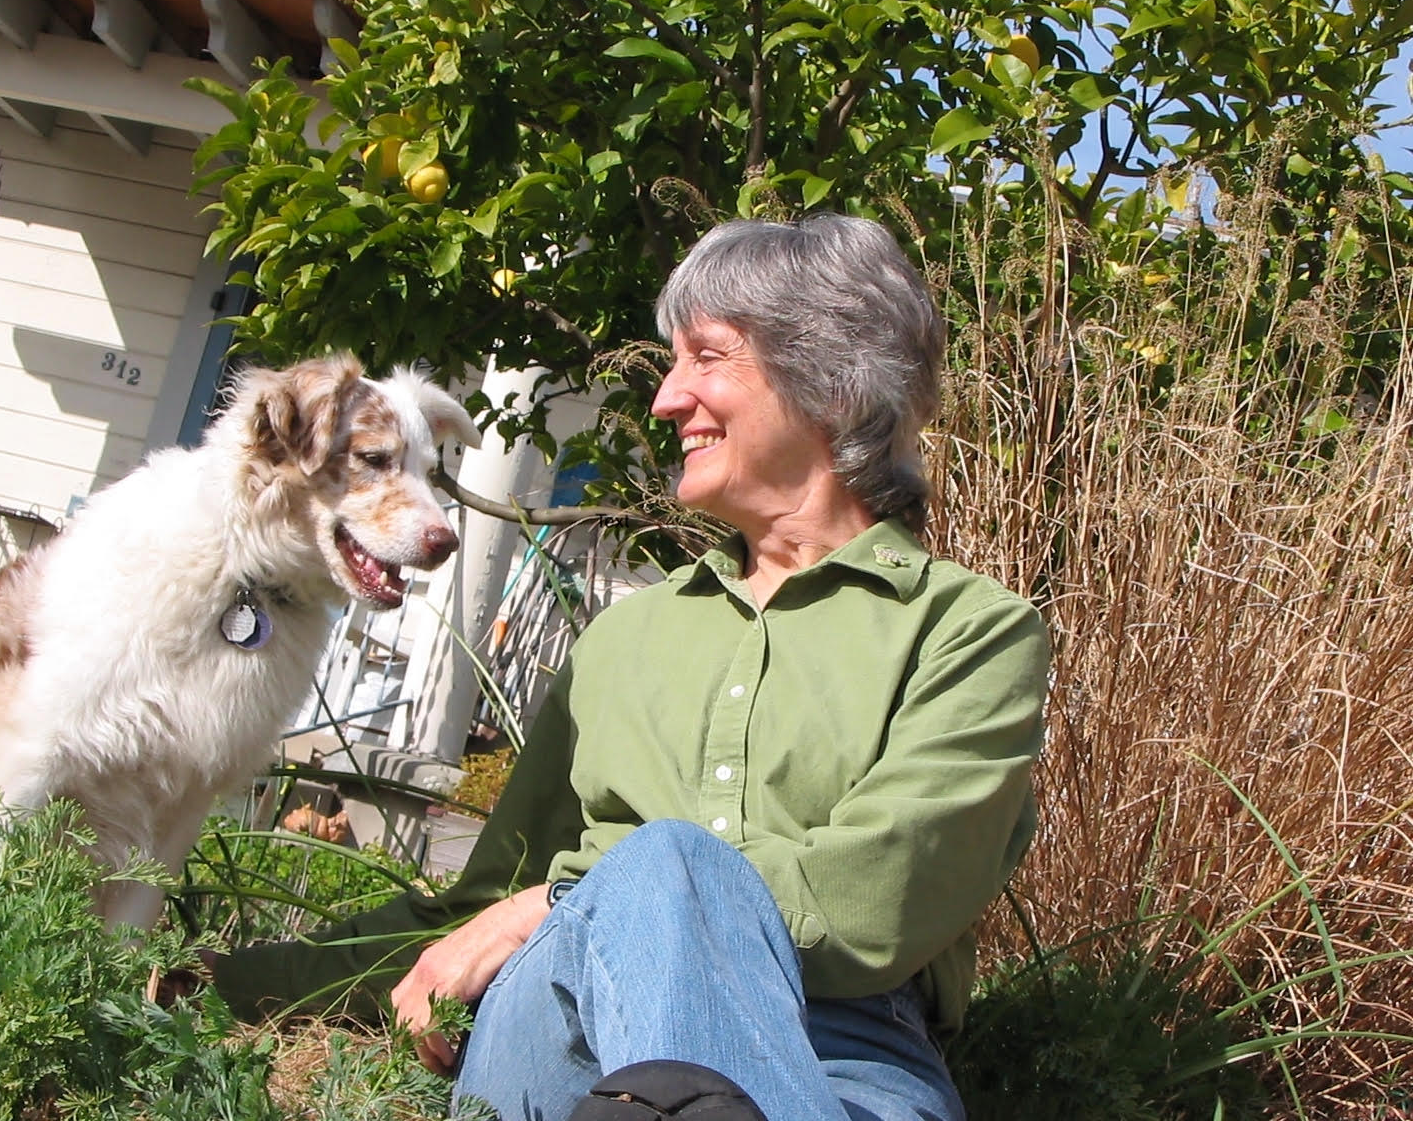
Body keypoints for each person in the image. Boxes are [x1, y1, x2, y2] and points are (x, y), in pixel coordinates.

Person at [209, 214, 1049, 1121]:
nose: (665, 400)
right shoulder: (620, 640)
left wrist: (578, 893)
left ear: (833, 381)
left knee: (667, 864)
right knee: (658, 868)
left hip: (843, 1054)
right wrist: (227, 985)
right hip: (564, 1030)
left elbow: (875, 899)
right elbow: (483, 905)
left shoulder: (970, 634)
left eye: (707, 358)